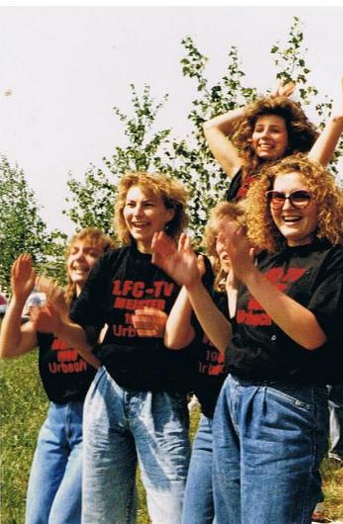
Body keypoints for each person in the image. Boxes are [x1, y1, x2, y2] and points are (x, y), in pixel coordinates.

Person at [151, 155, 343, 524]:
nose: (286, 206)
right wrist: (194, 286)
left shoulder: (333, 259)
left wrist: (249, 274)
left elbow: (312, 336)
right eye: (277, 198)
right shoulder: (266, 260)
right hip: (233, 398)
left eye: (299, 197)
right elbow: (230, 344)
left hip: (286, 404)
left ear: (321, 201)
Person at [34, 172, 195, 523]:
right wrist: (59, 326)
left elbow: (191, 339)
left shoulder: (187, 264)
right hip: (108, 391)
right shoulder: (112, 263)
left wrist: (167, 325)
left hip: (161, 397)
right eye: (130, 205)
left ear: (169, 212)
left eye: (147, 205)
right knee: (103, 512)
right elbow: (87, 335)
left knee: (173, 510)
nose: (136, 213)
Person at [0, 229, 112, 524]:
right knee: (35, 519)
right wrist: (19, 297)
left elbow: (103, 364)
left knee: (62, 519)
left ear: (105, 263)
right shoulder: (52, 306)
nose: (79, 257)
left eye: (90, 252)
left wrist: (62, 318)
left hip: (92, 421)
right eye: (74, 251)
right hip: (54, 423)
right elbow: (9, 349)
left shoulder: (107, 309)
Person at [163, 201, 246, 524]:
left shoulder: (258, 291)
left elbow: (235, 346)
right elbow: (173, 337)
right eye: (219, 240)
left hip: (245, 424)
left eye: (235, 238)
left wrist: (238, 281)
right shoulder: (206, 289)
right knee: (193, 517)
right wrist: (190, 284)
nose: (225, 247)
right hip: (211, 422)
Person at [203, 72, 343, 202]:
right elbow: (211, 127)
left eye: (275, 130)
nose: (265, 136)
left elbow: (338, 118)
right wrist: (268, 101)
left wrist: (340, 85)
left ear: (290, 139)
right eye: (259, 129)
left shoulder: (301, 172)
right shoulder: (242, 173)